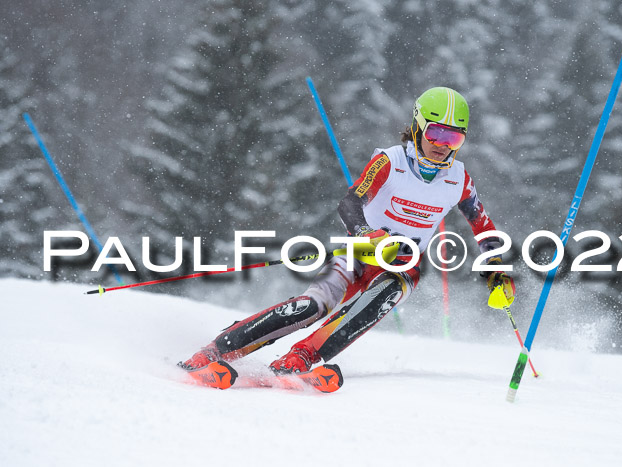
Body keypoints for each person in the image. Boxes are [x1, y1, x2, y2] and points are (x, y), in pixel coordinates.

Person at [180, 86, 515, 374]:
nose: (443, 144)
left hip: (403, 266)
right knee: (312, 307)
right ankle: (217, 350)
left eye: (453, 137)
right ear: (418, 126)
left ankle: (299, 359)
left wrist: (497, 270)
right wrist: (367, 234)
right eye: (435, 133)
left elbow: (483, 227)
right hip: (359, 252)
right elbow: (350, 204)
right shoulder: (390, 161)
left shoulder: (460, 179)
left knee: (375, 301)